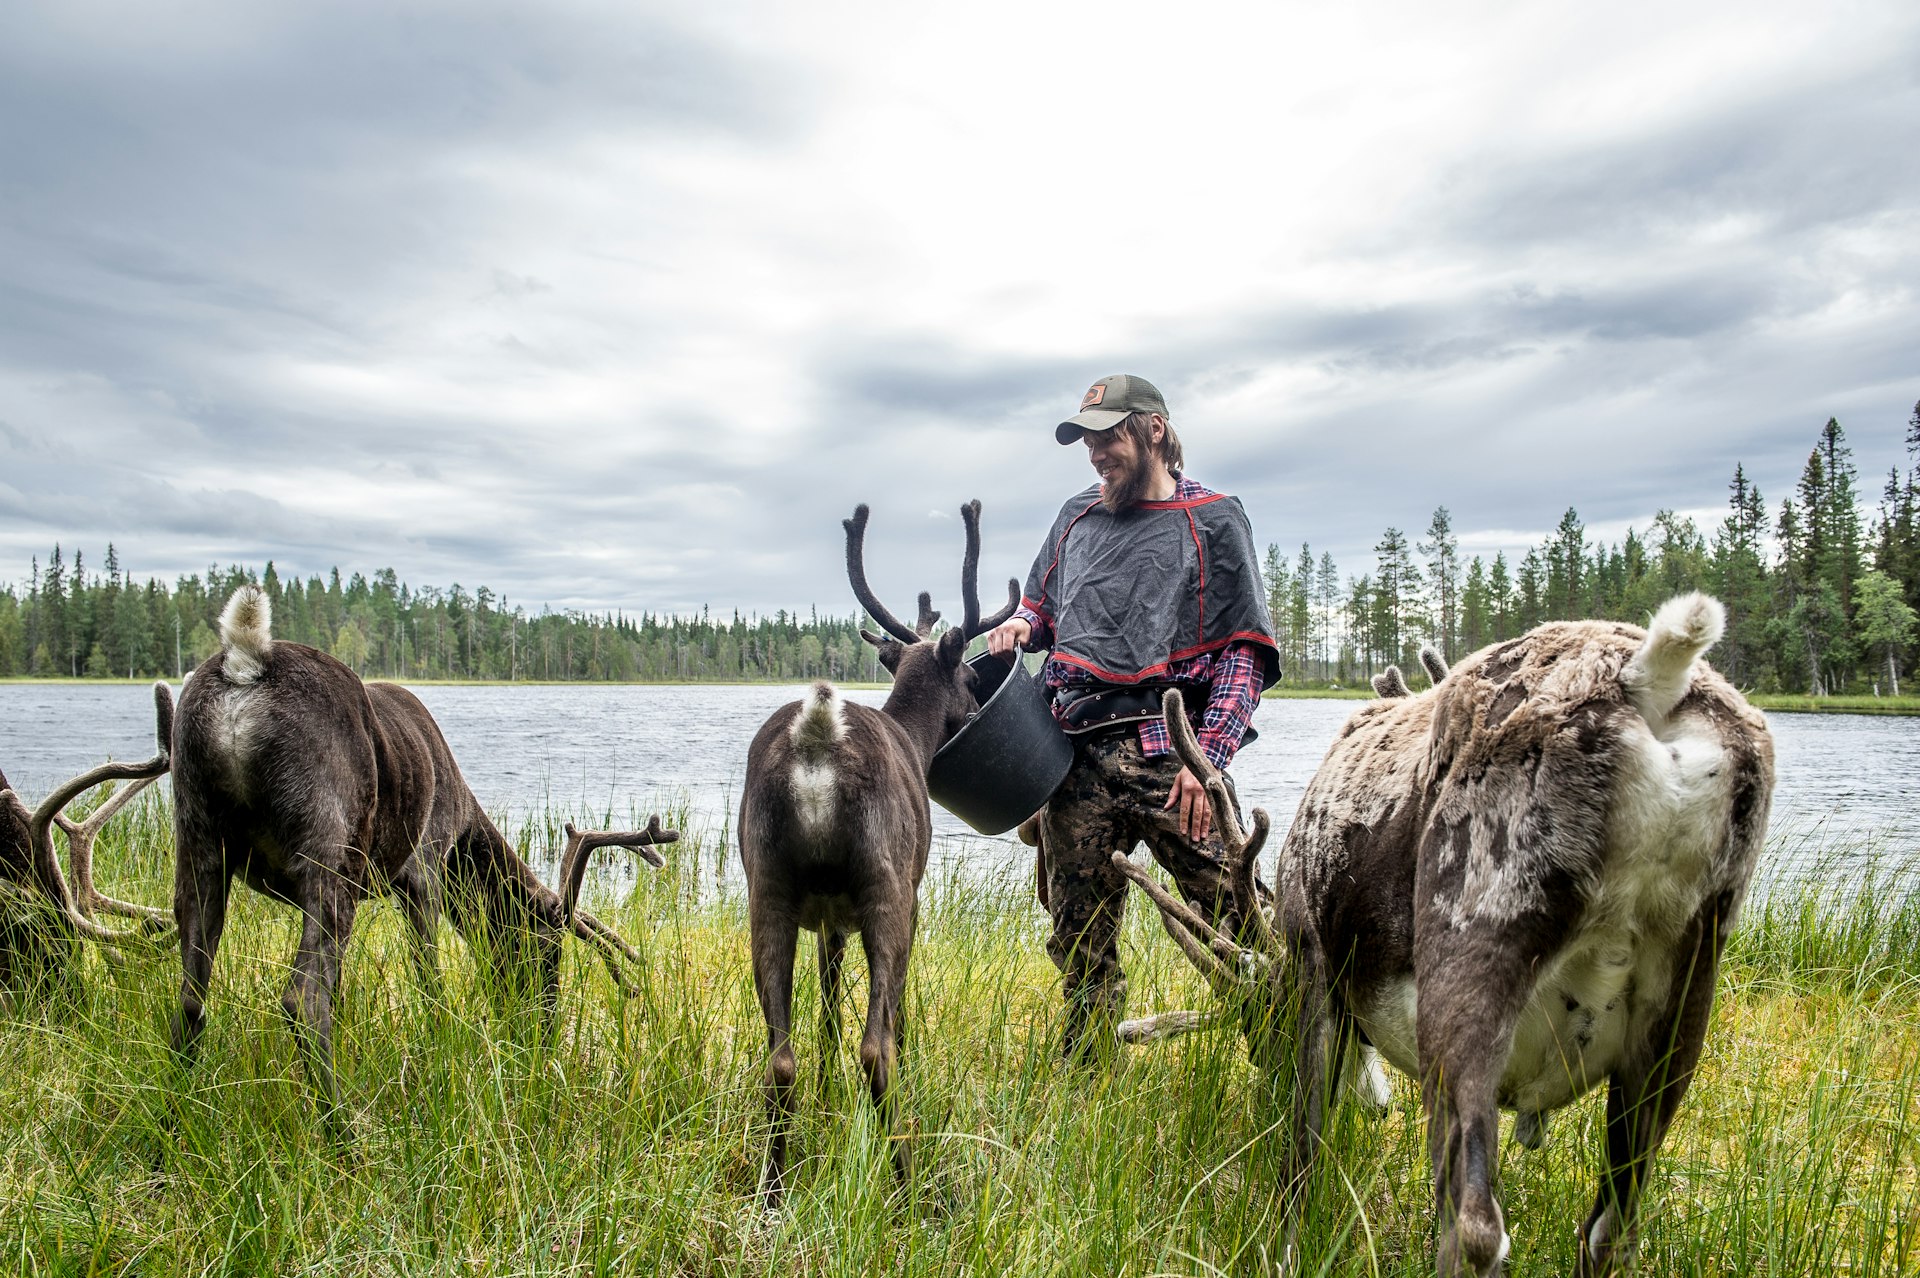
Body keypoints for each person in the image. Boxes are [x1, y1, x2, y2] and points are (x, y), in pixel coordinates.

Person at [987, 373, 1282, 1059]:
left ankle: (1291, 1064)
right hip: (1071, 760)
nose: (1095, 453)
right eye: (1086, 440)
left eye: (1107, 435)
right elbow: (1042, 606)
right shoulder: (1074, 518)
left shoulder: (1213, 518)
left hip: (1172, 759)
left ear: (1154, 429)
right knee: (1079, 941)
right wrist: (1020, 628)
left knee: (1240, 924)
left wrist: (1206, 764)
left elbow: (1244, 655)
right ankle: (1086, 1091)